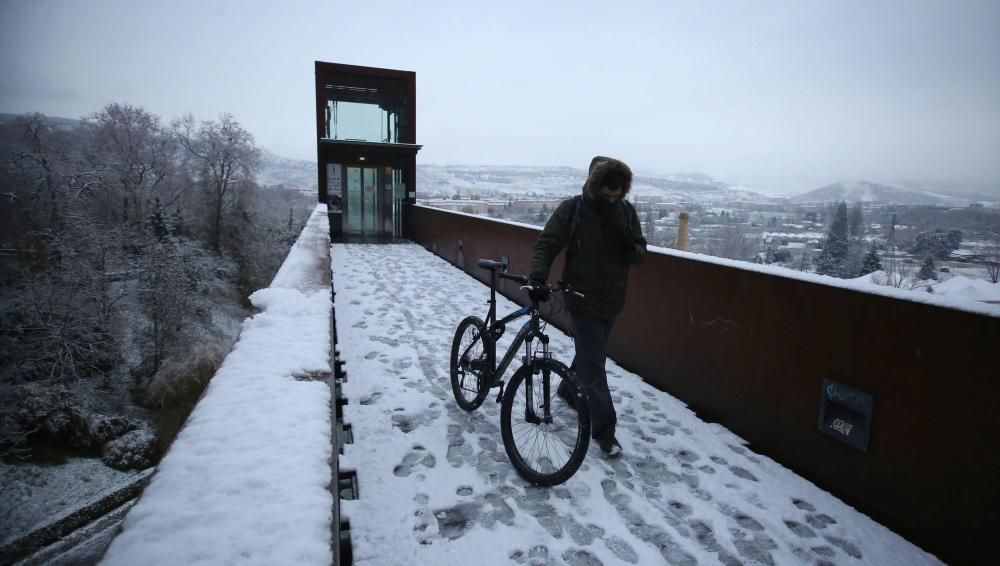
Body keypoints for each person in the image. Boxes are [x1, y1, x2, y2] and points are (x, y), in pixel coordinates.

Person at [528, 155, 647, 457]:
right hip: (581, 299)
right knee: (595, 368)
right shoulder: (574, 209)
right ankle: (605, 433)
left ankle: (567, 390)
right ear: (595, 186)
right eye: (606, 194)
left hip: (612, 301)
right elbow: (547, 242)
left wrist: (629, 246)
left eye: (617, 194)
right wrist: (538, 276)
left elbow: (640, 252)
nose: (612, 199)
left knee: (589, 354)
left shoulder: (626, 211)